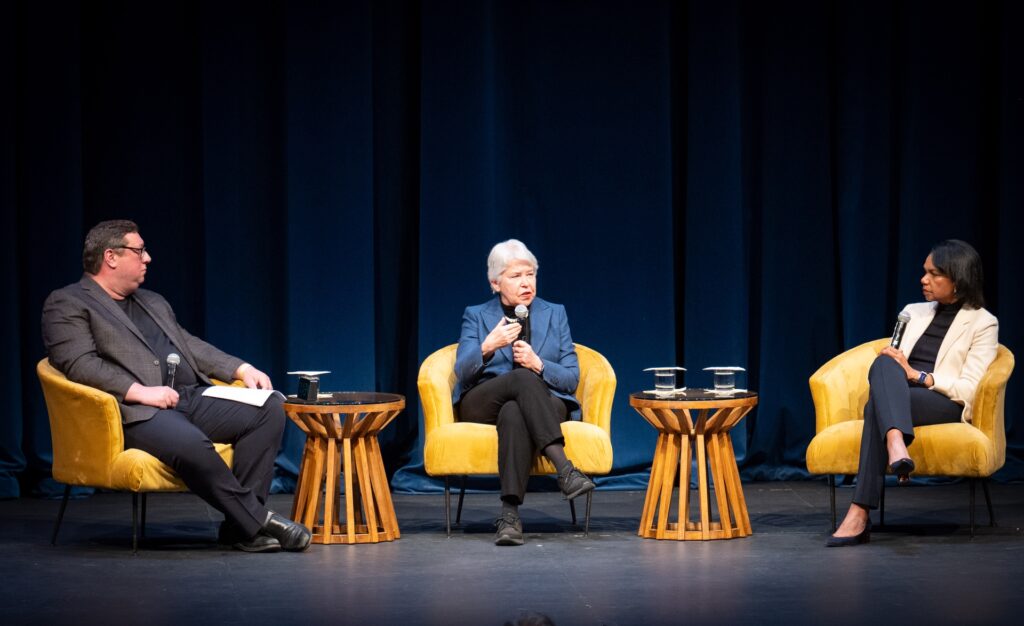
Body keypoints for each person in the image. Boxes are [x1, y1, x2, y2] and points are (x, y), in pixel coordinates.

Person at [42, 220, 312, 553]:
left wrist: (239, 367)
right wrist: (139, 391)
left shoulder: (151, 301)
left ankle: (240, 527)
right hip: (132, 410)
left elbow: (187, 343)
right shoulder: (67, 303)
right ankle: (255, 521)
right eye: (139, 250)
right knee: (193, 444)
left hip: (186, 397)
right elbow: (79, 363)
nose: (148, 258)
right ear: (110, 256)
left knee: (268, 406)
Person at [827, 239, 998, 547]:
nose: (924, 280)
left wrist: (917, 375)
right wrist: (898, 367)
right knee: (884, 360)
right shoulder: (912, 311)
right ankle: (896, 442)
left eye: (934, 274)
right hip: (900, 395)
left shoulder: (983, 323)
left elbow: (969, 389)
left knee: (874, 408)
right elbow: (891, 368)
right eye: (924, 272)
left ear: (958, 280)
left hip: (943, 400)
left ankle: (859, 512)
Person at [453, 239, 595, 546]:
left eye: (530, 274)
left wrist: (539, 364)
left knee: (515, 410)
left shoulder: (554, 313)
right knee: (520, 381)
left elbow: (571, 379)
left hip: (545, 403)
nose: (526, 283)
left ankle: (510, 517)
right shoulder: (477, 315)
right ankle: (565, 468)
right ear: (495, 282)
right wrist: (488, 345)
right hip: (483, 401)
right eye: (516, 276)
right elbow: (462, 372)